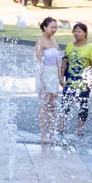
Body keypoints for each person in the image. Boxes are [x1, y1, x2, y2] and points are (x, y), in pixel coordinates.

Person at [58, 22, 92, 140]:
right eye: (75, 31)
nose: (76, 33)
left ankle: (79, 128)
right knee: (65, 103)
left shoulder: (91, 48)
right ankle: (61, 127)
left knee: (83, 105)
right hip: (70, 79)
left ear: (85, 33)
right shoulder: (70, 46)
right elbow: (64, 62)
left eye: (79, 31)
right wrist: (61, 76)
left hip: (84, 81)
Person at [34, 17, 63, 145]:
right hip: (44, 73)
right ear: (44, 27)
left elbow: (57, 60)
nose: (54, 29)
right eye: (51, 27)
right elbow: (39, 63)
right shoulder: (40, 41)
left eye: (55, 27)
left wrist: (59, 76)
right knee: (44, 104)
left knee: (52, 105)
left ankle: (52, 132)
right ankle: (43, 133)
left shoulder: (53, 40)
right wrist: (42, 81)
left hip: (53, 74)